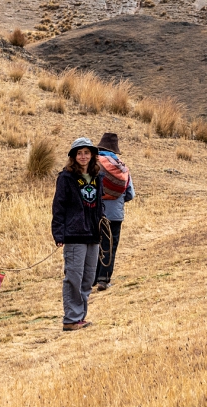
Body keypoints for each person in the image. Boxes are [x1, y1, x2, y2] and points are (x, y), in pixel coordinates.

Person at [51, 137, 104, 331]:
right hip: (74, 234)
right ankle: (71, 319)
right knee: (74, 276)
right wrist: (58, 233)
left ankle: (79, 316)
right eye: (79, 153)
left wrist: (101, 223)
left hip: (93, 234)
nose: (83, 156)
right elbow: (58, 206)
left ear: (92, 156)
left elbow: (99, 204)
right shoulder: (66, 177)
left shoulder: (97, 176)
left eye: (86, 153)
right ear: (74, 156)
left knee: (88, 278)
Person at [94, 132, 135, 291]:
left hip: (96, 213)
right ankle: (104, 280)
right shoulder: (122, 167)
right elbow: (130, 194)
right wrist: (117, 199)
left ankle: (91, 278)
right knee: (110, 246)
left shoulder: (93, 165)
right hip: (115, 215)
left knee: (95, 245)